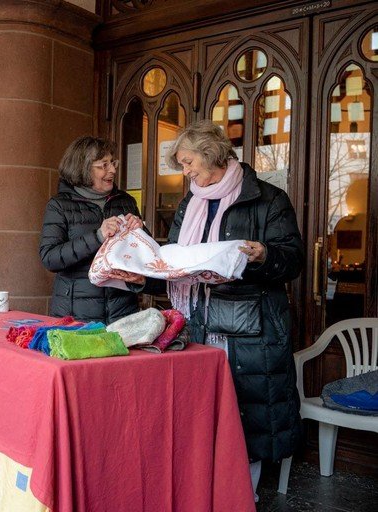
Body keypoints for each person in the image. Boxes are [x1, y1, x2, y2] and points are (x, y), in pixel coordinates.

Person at [165, 120, 303, 500]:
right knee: (206, 412)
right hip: (199, 323)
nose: (185, 171)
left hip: (250, 329)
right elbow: (176, 257)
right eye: (181, 164)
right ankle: (207, 490)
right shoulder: (190, 203)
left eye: (188, 161)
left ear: (211, 155)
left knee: (246, 412)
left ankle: (241, 495)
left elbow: (293, 261)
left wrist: (264, 255)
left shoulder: (269, 199)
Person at [39, 135, 153, 324]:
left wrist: (141, 231)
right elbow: (50, 258)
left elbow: (145, 255)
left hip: (122, 313)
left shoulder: (126, 201)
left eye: (112, 163)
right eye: (104, 165)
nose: (113, 170)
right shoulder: (59, 205)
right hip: (76, 316)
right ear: (83, 168)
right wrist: (98, 236)